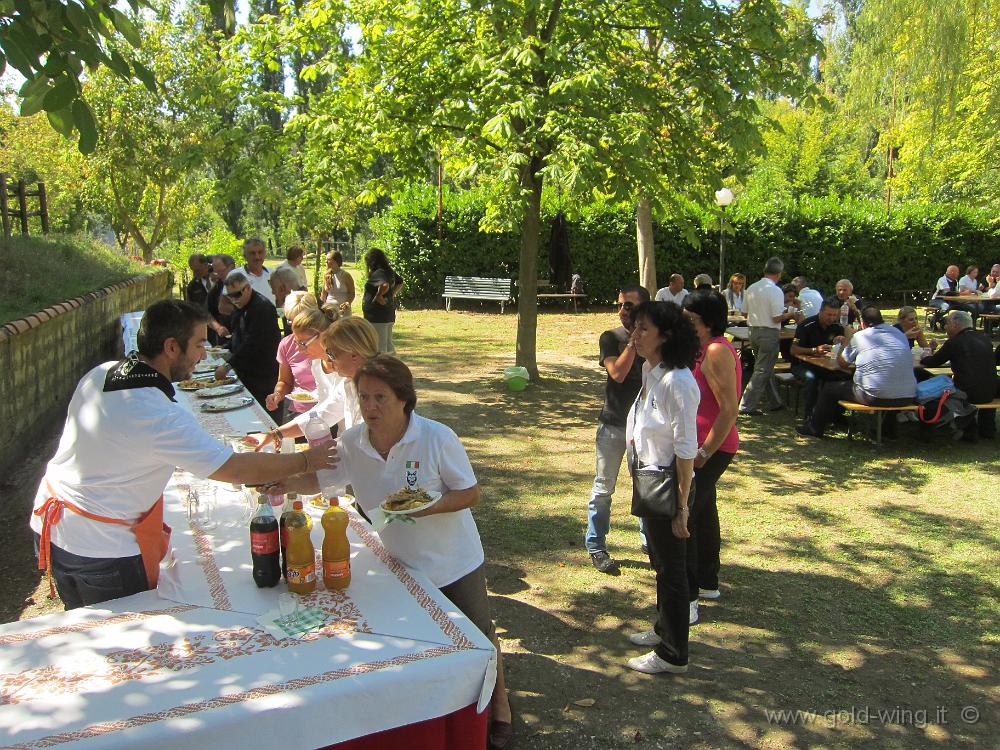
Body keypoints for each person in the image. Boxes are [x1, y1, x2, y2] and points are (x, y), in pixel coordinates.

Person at [29, 299, 337, 610]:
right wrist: (307, 460)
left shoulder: (102, 372)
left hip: (56, 529)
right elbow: (235, 469)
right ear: (172, 347)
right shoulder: (156, 414)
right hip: (103, 550)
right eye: (200, 345)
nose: (204, 355)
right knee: (120, 642)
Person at [275, 356, 514, 748]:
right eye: (364, 397)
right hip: (400, 560)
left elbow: (469, 493)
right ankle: (439, 710)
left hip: (452, 560)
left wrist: (427, 506)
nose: (370, 407)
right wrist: (280, 480)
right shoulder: (352, 442)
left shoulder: (437, 438)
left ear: (405, 399)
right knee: (424, 642)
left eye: (381, 398)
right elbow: (321, 480)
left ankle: (500, 706)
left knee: (477, 637)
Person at [624, 301, 700, 674]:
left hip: (671, 484)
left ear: (666, 336)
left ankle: (673, 653)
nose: (634, 335)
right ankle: (663, 629)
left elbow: (686, 450)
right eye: (634, 327)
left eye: (643, 330)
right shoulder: (651, 369)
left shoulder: (678, 382)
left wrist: (682, 506)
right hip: (649, 477)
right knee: (660, 562)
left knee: (673, 571)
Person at [681, 290, 740, 612]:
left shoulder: (716, 350)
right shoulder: (702, 348)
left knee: (684, 516)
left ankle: (687, 599)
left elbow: (729, 409)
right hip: (700, 446)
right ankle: (708, 582)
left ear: (709, 322)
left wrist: (703, 453)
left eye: (691, 320)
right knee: (703, 513)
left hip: (711, 448)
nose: (685, 324)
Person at [585, 285, 649, 574]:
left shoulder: (656, 339)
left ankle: (650, 541)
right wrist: (634, 344)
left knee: (647, 484)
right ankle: (596, 544)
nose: (623, 311)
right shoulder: (611, 338)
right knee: (603, 488)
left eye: (630, 306)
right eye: (621, 305)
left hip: (645, 428)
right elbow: (618, 374)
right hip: (613, 423)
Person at [256, 316, 379, 449]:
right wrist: (275, 434)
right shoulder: (349, 382)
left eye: (332, 355)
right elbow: (322, 413)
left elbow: (367, 442)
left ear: (354, 355)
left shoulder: (381, 390)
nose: (330, 361)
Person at [797, 305, 917, 438]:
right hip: (908, 395)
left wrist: (848, 338)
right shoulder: (899, 334)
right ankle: (888, 431)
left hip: (874, 396)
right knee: (888, 382)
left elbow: (842, 363)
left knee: (830, 388)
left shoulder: (861, 336)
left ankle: (815, 428)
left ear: (862, 323)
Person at [919, 310, 998, 439]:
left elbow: (931, 362)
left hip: (968, 393)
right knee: (980, 381)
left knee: (934, 388)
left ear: (956, 325)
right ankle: (987, 429)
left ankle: (966, 428)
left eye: (947, 324)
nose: (945, 327)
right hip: (992, 390)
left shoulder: (955, 342)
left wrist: (927, 352)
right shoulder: (984, 339)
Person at [215, 271, 282, 418]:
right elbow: (239, 335)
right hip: (248, 371)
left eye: (237, 294)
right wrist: (225, 347)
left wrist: (228, 365)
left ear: (247, 288)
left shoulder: (261, 308)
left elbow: (252, 343)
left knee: (265, 415)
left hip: (264, 374)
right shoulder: (242, 307)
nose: (234, 300)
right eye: (230, 296)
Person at [738, 257, 798, 416]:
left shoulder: (751, 288)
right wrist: (791, 313)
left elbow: (744, 312)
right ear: (779, 274)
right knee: (762, 369)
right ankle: (746, 405)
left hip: (753, 331)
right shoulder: (776, 290)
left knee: (766, 367)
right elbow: (776, 317)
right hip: (769, 332)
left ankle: (775, 401)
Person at [789, 297, 849, 419]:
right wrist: (813, 350)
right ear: (821, 311)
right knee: (811, 378)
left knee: (843, 377)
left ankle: (836, 414)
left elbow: (841, 348)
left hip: (825, 365)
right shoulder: (806, 325)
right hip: (802, 364)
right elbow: (793, 350)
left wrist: (841, 341)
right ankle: (811, 415)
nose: (831, 318)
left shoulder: (837, 327)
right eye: (829, 315)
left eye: (834, 315)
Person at [265, 292, 320, 422]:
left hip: (328, 411)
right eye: (292, 321)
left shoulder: (329, 343)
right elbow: (284, 381)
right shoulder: (286, 344)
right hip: (298, 411)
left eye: (303, 323)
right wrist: (277, 395)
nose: (297, 328)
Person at [362, 248, 404, 354]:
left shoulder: (379, 273)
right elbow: (400, 282)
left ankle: (382, 368)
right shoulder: (388, 271)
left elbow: (384, 285)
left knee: (379, 347)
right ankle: (393, 367)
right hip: (387, 314)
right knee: (388, 346)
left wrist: (379, 296)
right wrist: (391, 295)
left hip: (377, 316)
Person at [206, 253, 236, 342]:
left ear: (231, 267)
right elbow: (206, 313)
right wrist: (218, 327)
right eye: (215, 271)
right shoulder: (217, 287)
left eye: (220, 271)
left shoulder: (246, 284)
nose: (217, 275)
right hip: (225, 338)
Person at [269, 265, 306, 334]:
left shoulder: (298, 308)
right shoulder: (305, 300)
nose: (273, 292)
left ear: (283, 288)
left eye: (273, 289)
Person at [322, 250, 356, 314]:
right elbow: (324, 294)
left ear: (336, 261)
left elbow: (352, 293)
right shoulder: (326, 275)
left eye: (329, 259)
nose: (326, 261)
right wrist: (321, 308)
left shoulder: (345, 275)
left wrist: (347, 303)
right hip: (329, 310)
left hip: (342, 311)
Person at [241, 238, 274, 303]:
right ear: (245, 256)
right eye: (252, 253)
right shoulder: (236, 275)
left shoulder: (273, 274)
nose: (257, 257)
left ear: (265, 254)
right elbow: (224, 305)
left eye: (260, 252)